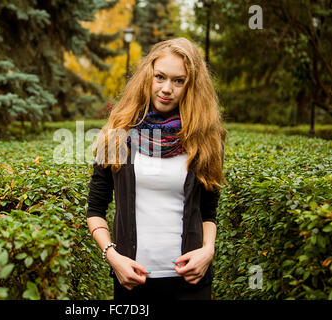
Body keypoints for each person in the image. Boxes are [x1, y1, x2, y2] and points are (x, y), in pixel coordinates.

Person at [86, 37, 227, 300]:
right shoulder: (116, 133)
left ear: (192, 85)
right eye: (160, 77)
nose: (166, 89)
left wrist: (207, 252)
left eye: (178, 80)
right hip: (132, 281)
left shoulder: (207, 138)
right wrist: (113, 257)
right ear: (147, 76)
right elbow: (95, 210)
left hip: (191, 282)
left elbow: (208, 211)